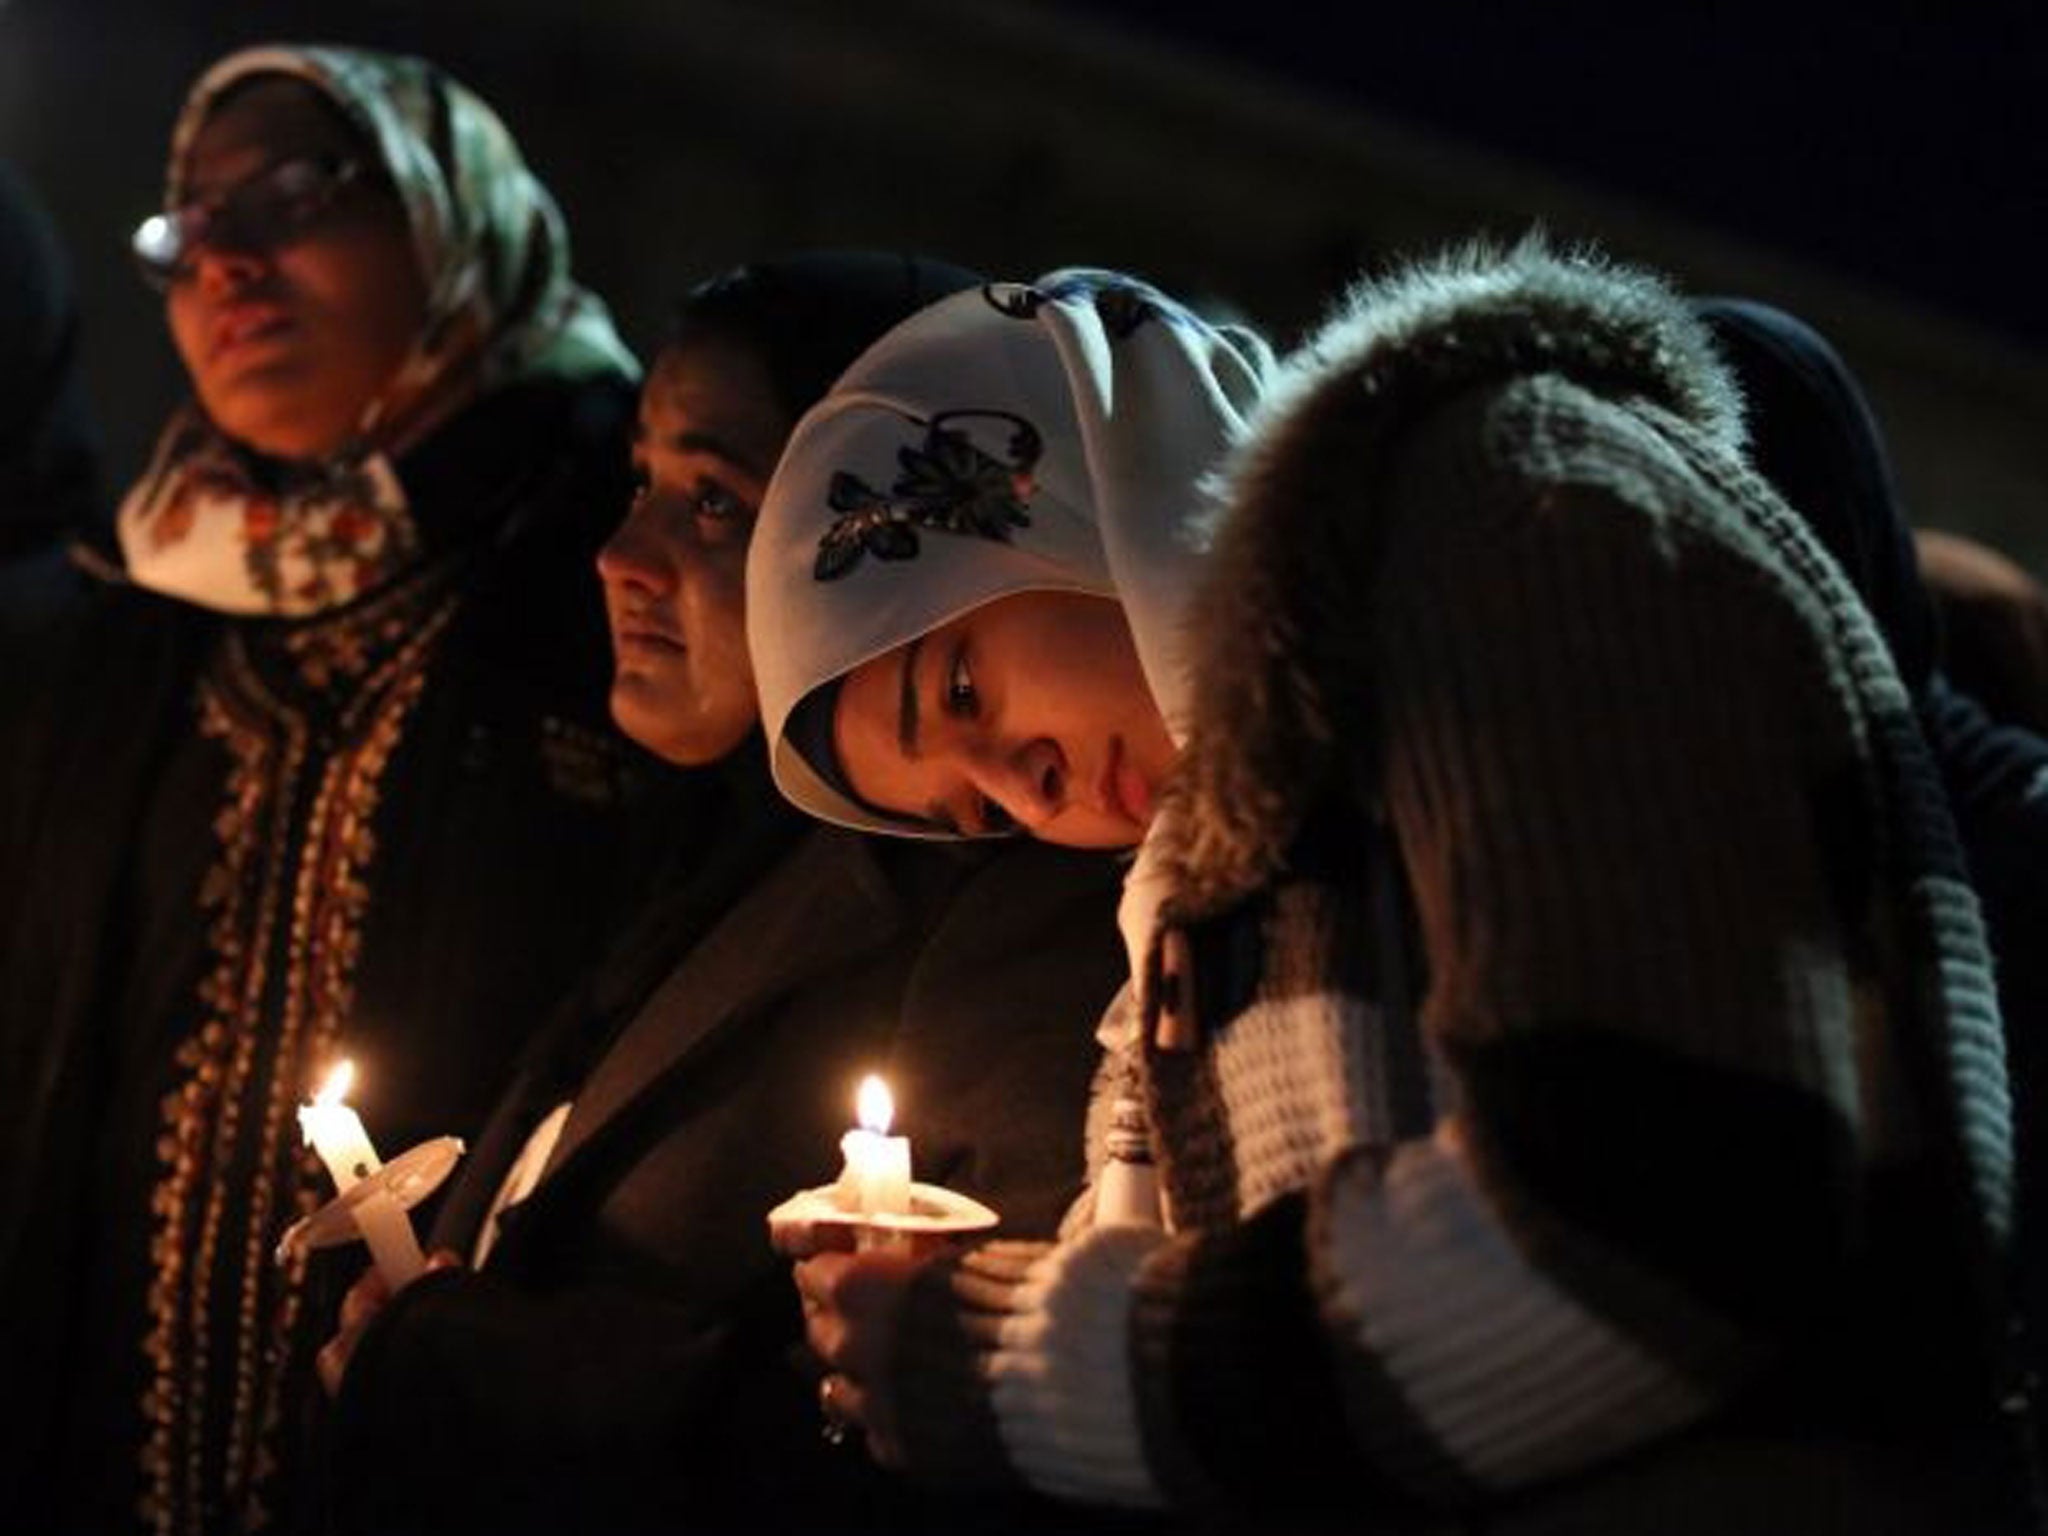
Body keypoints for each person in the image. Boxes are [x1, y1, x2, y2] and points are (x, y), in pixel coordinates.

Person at [747, 250, 2027, 1530]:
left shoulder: (1504, 516)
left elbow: (1645, 1219)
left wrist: (1011, 1361)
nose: (1022, 791)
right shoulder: (1215, 872)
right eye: (971, 810)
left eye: (961, 690)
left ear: (1070, 480)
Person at [311, 255, 1128, 1536]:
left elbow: (913, 1418)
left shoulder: (1013, 885)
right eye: (643, 483)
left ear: (865, 530)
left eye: (712, 500)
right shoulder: (707, 848)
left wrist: (471, 1371)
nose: (620, 557)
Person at [0, 46, 664, 1535]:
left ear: (450, 215)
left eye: (291, 193)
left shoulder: (614, 576)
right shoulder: (142, 609)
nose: (226, 260)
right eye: (184, 230)